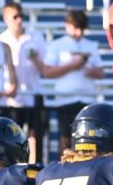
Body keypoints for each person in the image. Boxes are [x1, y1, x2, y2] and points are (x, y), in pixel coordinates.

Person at [34, 9, 105, 153]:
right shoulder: (57, 45)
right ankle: (64, 168)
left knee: (87, 138)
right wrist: (72, 65)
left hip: (86, 98)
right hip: (65, 100)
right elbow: (47, 72)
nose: (78, 32)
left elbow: (101, 72)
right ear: (67, 25)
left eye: (82, 28)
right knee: (65, 138)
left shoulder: (90, 45)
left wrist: (88, 70)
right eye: (76, 27)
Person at [0, 1, 46, 157]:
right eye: (15, 17)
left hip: (32, 93)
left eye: (21, 16)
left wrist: (36, 59)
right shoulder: (0, 40)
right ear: (6, 19)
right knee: (11, 137)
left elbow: (45, 68)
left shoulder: (35, 37)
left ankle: (33, 170)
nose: (19, 20)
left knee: (34, 137)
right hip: (11, 98)